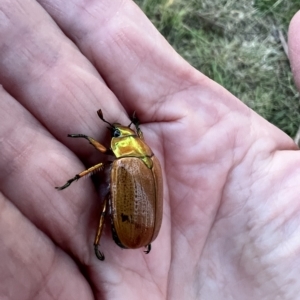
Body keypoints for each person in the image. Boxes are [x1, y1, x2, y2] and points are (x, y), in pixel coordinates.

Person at [0, 1, 300, 299]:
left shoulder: (127, 164)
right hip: (143, 232)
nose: (113, 133)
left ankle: (95, 242)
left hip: (129, 229)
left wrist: (74, 177)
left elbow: (99, 161)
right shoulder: (148, 161)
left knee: (105, 209)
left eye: (117, 132)